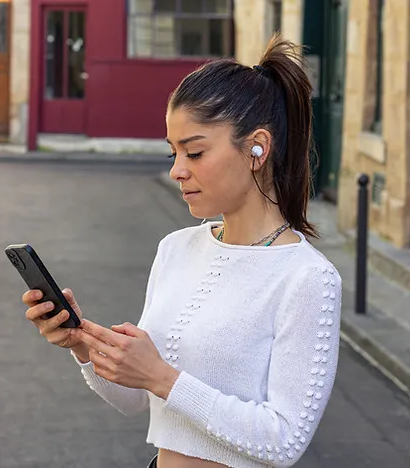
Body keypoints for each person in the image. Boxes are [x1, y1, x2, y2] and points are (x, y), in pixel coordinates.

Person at [22, 34, 342, 468]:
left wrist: (161, 376)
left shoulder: (307, 277)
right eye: (173, 152)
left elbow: (283, 440)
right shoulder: (176, 248)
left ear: (257, 148)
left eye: (194, 151)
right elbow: (136, 399)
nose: (177, 170)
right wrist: (84, 345)